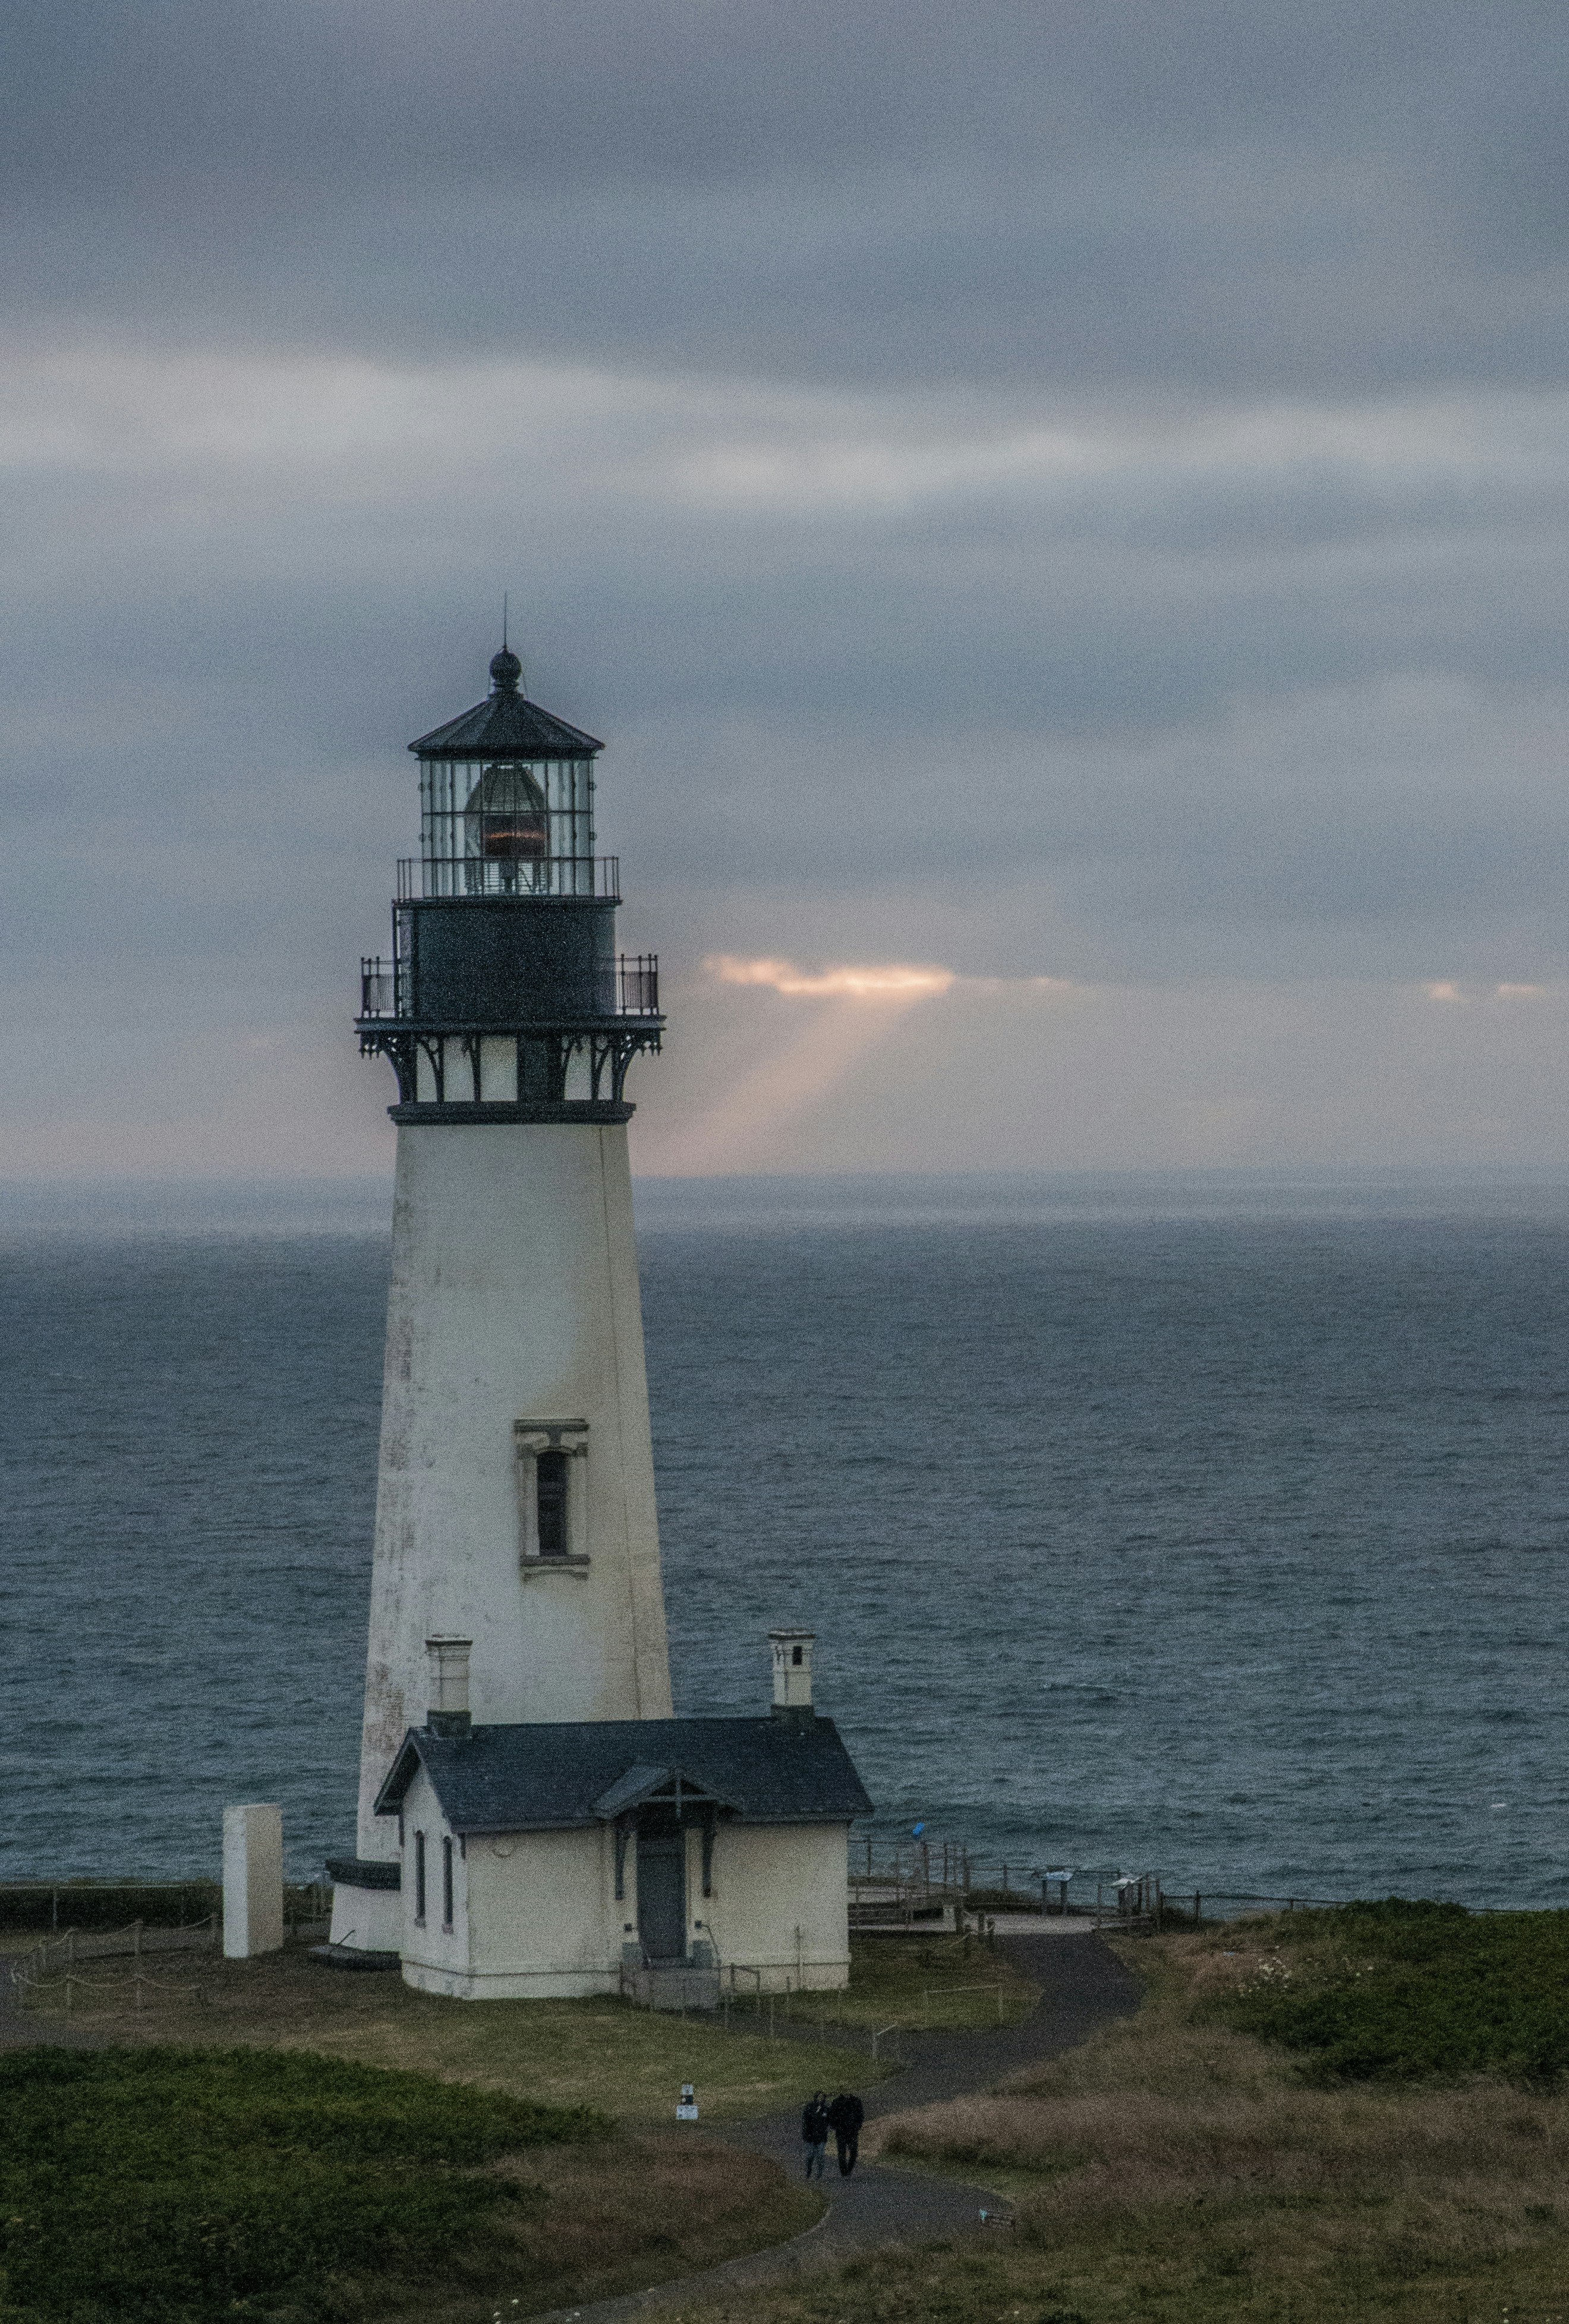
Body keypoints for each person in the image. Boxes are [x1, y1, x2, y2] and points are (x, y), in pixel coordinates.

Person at [826, 2088, 864, 2177]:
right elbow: (831, 2116)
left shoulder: (856, 2101)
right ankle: (844, 2172)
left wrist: (857, 2127)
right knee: (842, 2153)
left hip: (852, 2132)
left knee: (854, 2152)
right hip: (841, 2132)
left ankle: (849, 2171)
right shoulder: (837, 2102)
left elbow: (860, 2115)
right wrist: (836, 2126)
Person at [801, 2089, 830, 2178]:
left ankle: (819, 2175)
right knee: (810, 2155)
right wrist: (806, 2135)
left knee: (820, 2155)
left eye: (822, 2099)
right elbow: (805, 2123)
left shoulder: (826, 2110)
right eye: (819, 2098)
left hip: (821, 2137)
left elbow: (830, 2122)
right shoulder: (809, 2109)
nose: (820, 2100)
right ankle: (809, 2172)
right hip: (811, 2137)